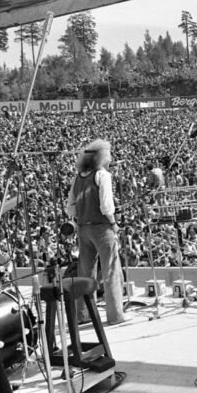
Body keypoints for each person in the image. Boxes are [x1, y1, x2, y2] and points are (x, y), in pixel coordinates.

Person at [66, 139, 126, 325]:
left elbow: (70, 207)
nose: (111, 158)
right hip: (101, 227)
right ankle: (115, 316)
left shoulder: (77, 178)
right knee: (111, 271)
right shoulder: (102, 175)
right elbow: (106, 206)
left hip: (83, 228)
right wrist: (113, 223)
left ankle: (83, 315)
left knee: (85, 273)